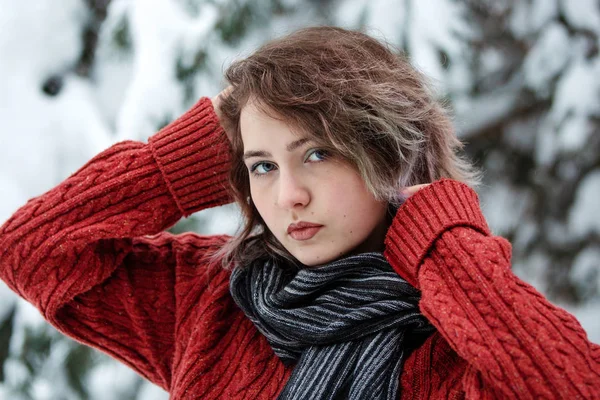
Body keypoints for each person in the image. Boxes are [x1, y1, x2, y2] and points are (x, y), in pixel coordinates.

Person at [0, 26, 598, 400]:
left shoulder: (461, 344)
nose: (288, 196)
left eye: (317, 154)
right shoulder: (208, 302)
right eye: (262, 166)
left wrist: (441, 238)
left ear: (391, 154)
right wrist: (201, 149)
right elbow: (32, 249)